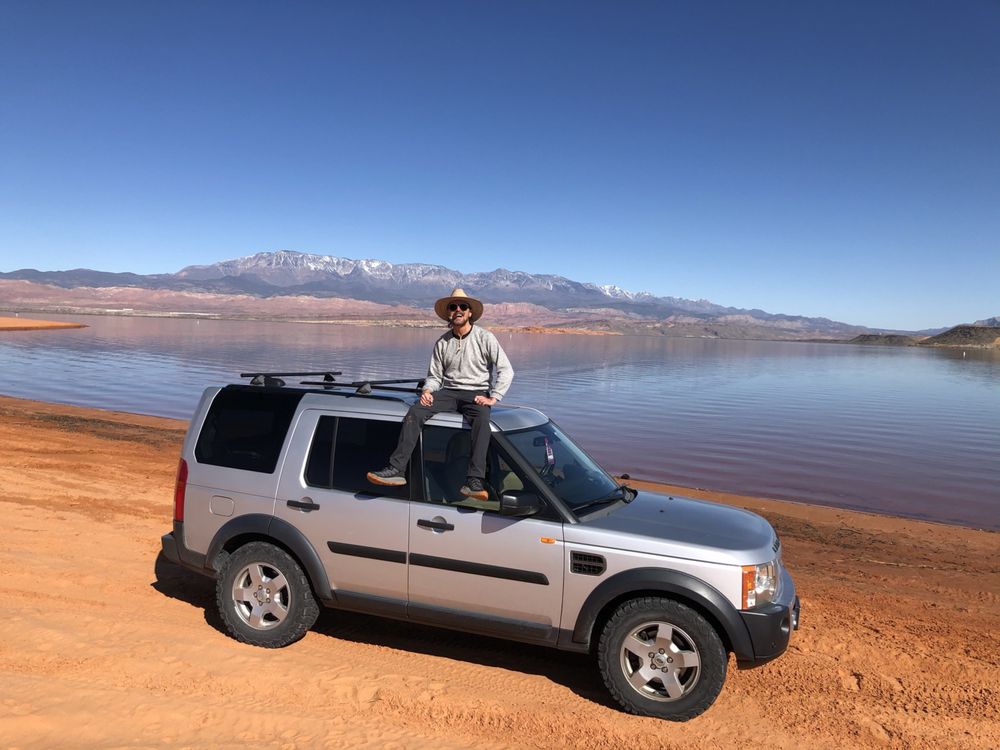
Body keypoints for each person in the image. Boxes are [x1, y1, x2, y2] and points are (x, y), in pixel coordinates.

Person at [367, 288, 513, 500]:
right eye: (453, 307)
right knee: (416, 411)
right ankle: (397, 469)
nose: (458, 310)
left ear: (470, 312)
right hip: (448, 392)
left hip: (476, 393)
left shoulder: (485, 338)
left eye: (463, 306)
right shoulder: (442, 342)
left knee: (482, 420)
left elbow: (506, 370)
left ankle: (474, 480)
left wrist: (494, 397)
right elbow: (435, 376)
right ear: (448, 313)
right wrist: (427, 390)